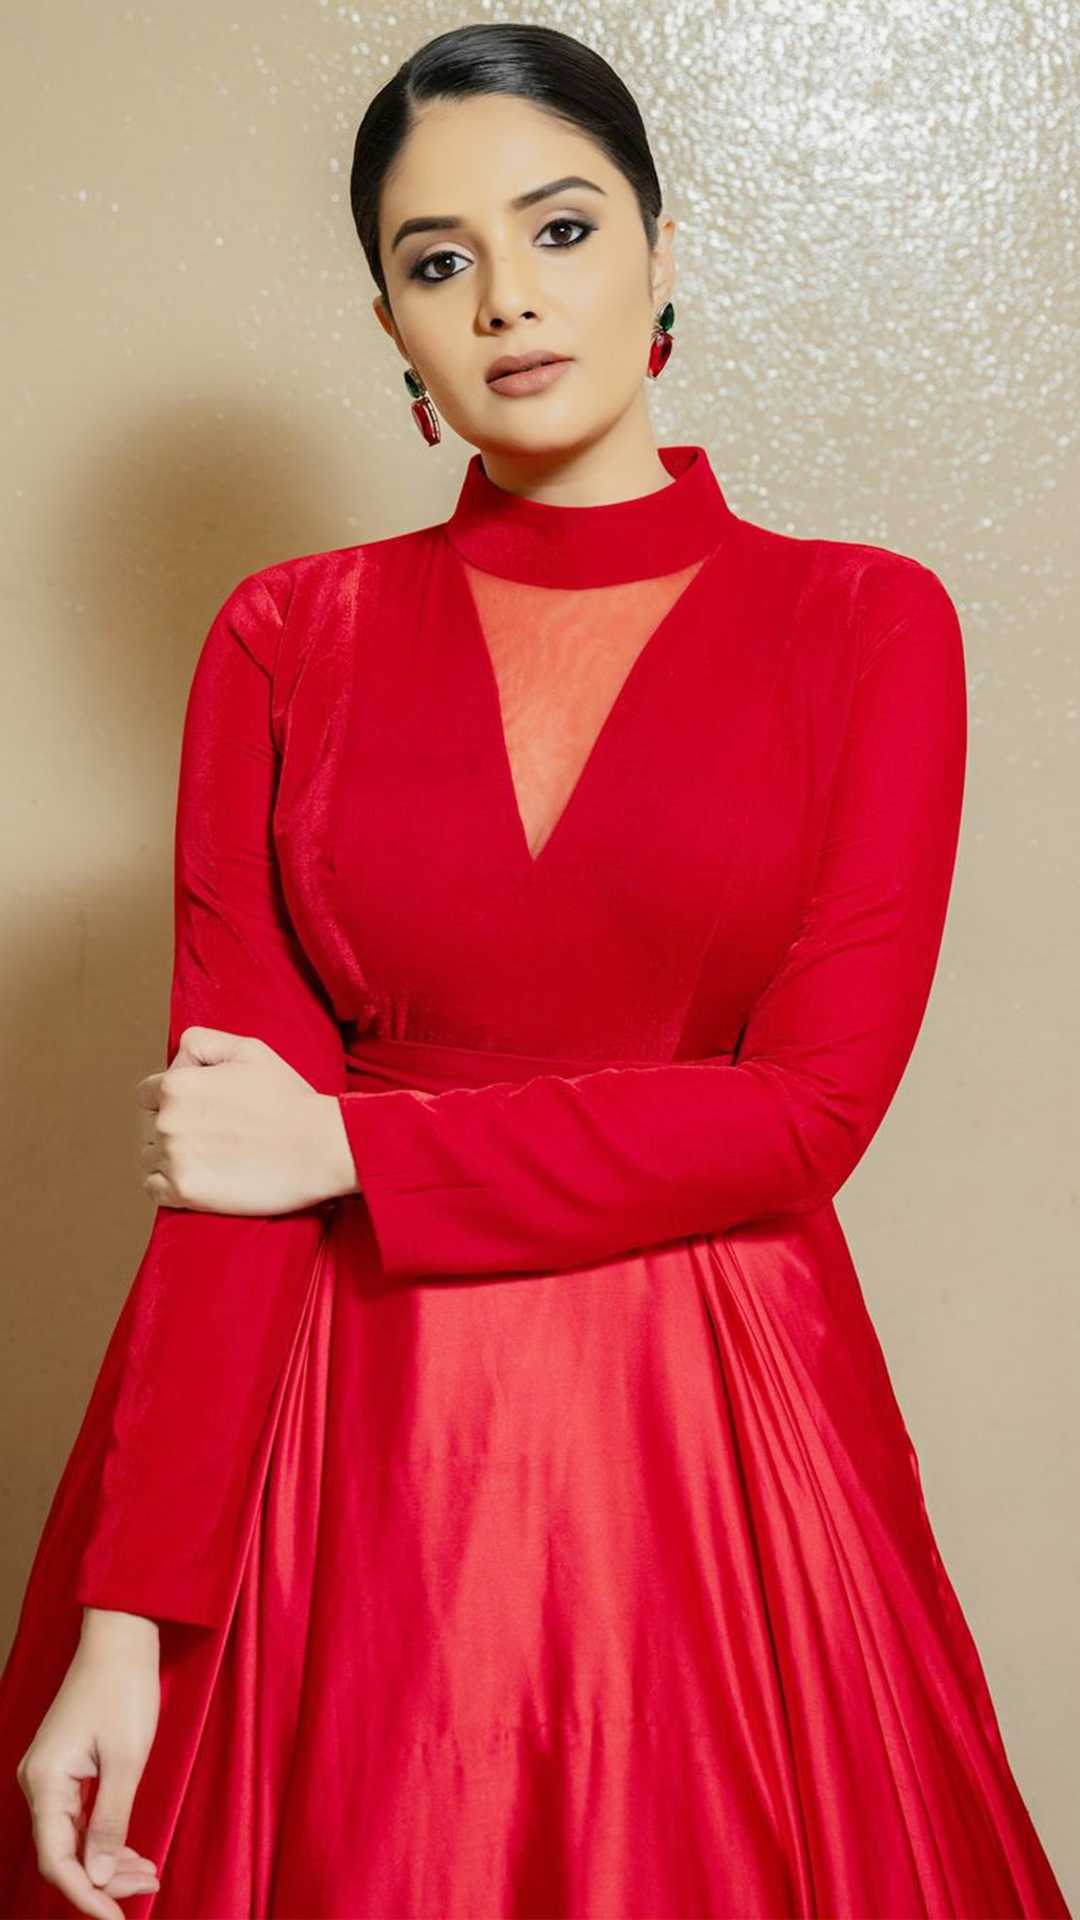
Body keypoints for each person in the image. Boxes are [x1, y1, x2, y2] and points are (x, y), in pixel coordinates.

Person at [0, 20, 1069, 1919]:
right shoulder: (284, 637)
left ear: (663, 250)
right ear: (392, 327)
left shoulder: (866, 624)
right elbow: (230, 1169)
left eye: (561, 229)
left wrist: (353, 1149)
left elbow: (807, 1115)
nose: (506, 298)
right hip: (351, 1450)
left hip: (713, 1448)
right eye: (439, 261)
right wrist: (127, 1615)